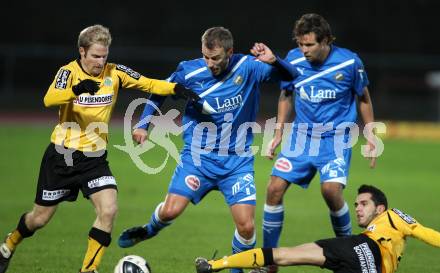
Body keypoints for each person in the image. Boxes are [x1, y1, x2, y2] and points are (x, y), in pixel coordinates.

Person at [0, 24, 199, 273]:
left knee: (109, 209)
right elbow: (49, 99)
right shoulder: (68, 72)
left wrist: (175, 88)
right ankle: (9, 245)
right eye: (95, 55)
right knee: (38, 219)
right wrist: (76, 90)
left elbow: (148, 84)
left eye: (104, 55)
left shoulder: (113, 72)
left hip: (94, 159)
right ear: (82, 51)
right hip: (63, 157)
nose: (100, 60)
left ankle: (88, 269)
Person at [117, 26, 297, 273]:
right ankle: (149, 230)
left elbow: (292, 76)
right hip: (197, 159)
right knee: (170, 212)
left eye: (216, 58)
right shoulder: (189, 71)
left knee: (246, 226)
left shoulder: (248, 67)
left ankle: (236, 270)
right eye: (206, 57)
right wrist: (143, 124)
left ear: (230, 52)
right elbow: (159, 91)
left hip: (236, 162)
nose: (210, 63)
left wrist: (275, 61)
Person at [260, 14, 376, 272]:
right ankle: (268, 261)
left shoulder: (349, 62)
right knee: (273, 188)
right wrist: (278, 133)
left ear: (326, 41)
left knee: (331, 192)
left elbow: (364, 98)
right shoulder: (292, 59)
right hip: (301, 138)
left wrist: (370, 135)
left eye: (310, 45)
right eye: (301, 44)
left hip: (336, 138)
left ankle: (348, 251)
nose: (304, 50)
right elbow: (286, 94)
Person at [195, 184, 440, 273]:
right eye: (356, 204)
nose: (357, 208)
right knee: (285, 256)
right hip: (360, 255)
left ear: (380, 208)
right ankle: (215, 265)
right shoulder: (376, 227)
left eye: (364, 204)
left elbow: (424, 232)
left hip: (365, 249)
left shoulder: (393, 215)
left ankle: (216, 265)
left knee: (286, 256)